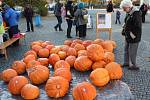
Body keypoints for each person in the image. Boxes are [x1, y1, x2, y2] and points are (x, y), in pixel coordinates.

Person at [120, 0, 142, 70]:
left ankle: (134, 65)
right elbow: (126, 21)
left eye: (124, 8)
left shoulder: (136, 13)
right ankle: (126, 62)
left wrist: (131, 33)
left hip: (134, 36)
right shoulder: (129, 12)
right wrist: (125, 26)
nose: (123, 10)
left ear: (129, 7)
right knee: (126, 49)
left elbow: (138, 26)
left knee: (132, 51)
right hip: (128, 35)